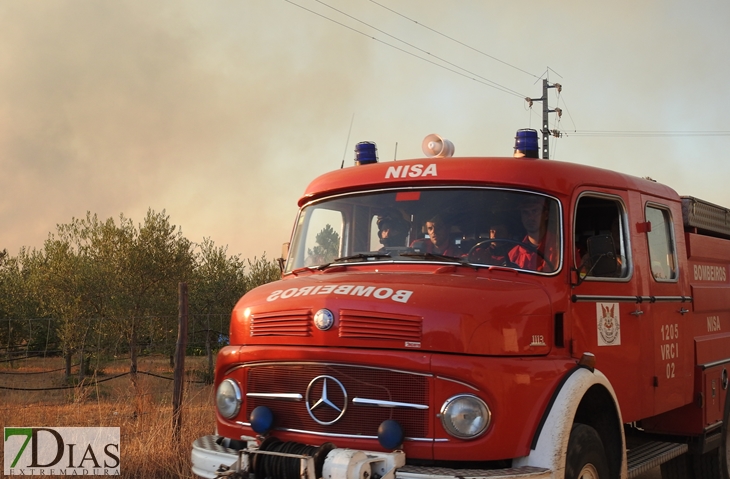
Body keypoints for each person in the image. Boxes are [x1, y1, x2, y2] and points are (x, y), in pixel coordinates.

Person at [509, 197, 558, 272]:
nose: (530, 217)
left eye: (535, 211)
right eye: (525, 212)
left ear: (546, 215)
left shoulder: (560, 250)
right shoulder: (514, 253)